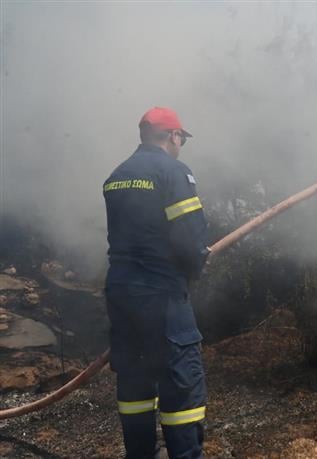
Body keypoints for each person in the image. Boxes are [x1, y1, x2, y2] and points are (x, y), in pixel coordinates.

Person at [103, 107, 211, 459]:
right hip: (162, 296)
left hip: (121, 295)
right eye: (182, 139)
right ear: (173, 136)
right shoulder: (174, 172)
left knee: (135, 382)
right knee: (181, 386)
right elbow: (189, 238)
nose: (181, 145)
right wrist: (198, 262)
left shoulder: (116, 176)